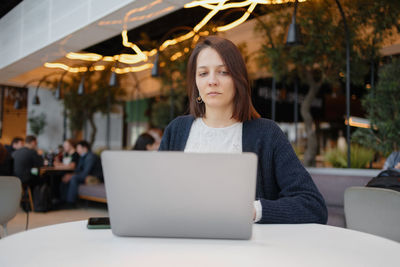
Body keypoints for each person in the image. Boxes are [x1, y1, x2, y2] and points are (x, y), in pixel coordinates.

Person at [159, 36, 327, 224]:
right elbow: (155, 195)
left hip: (244, 250)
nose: (212, 81)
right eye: (203, 73)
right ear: (195, 83)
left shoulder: (266, 134)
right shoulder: (177, 130)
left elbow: (313, 206)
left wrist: (252, 210)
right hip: (181, 244)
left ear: (238, 79)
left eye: (223, 72)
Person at [60, 140, 103, 205]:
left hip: (94, 177)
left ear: (85, 148)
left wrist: (72, 176)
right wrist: (70, 175)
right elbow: (78, 170)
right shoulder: (82, 156)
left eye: (78, 148)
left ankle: (70, 202)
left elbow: (86, 172)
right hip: (86, 175)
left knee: (74, 178)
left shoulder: (91, 157)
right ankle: (63, 200)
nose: (77, 150)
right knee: (66, 176)